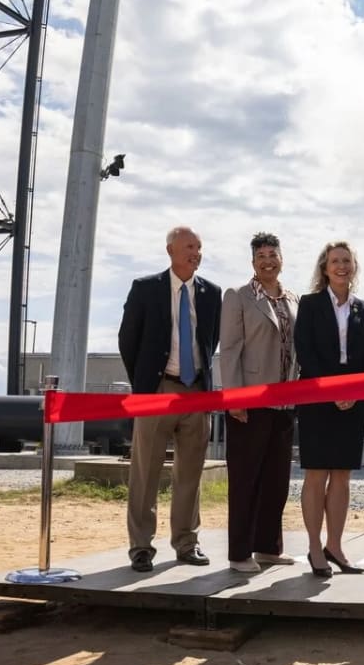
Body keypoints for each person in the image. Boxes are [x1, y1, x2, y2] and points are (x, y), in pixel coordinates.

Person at [118, 226, 222, 573]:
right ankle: (141, 546)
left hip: (196, 392)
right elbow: (127, 339)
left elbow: (211, 341)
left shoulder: (211, 293)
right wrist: (144, 385)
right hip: (157, 389)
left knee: (190, 472)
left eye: (199, 247)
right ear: (170, 250)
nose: (196, 252)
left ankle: (186, 543)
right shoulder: (146, 289)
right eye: (190, 246)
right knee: (145, 471)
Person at [294, 241, 364, 577]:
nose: (341, 266)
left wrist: (354, 392)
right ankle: (315, 547)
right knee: (316, 474)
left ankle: (336, 546)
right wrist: (332, 391)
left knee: (342, 476)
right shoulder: (311, 304)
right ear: (324, 268)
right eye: (335, 261)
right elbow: (306, 352)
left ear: (353, 266)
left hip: (354, 400)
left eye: (347, 260)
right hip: (317, 396)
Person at [219, 232, 299, 574]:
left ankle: (268, 547)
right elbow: (230, 349)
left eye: (273, 254)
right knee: (246, 479)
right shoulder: (238, 296)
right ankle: (240, 553)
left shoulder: (293, 299)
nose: (268, 260)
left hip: (285, 404)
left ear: (282, 258)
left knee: (276, 479)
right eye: (261, 255)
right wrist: (234, 396)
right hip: (249, 403)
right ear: (253, 262)